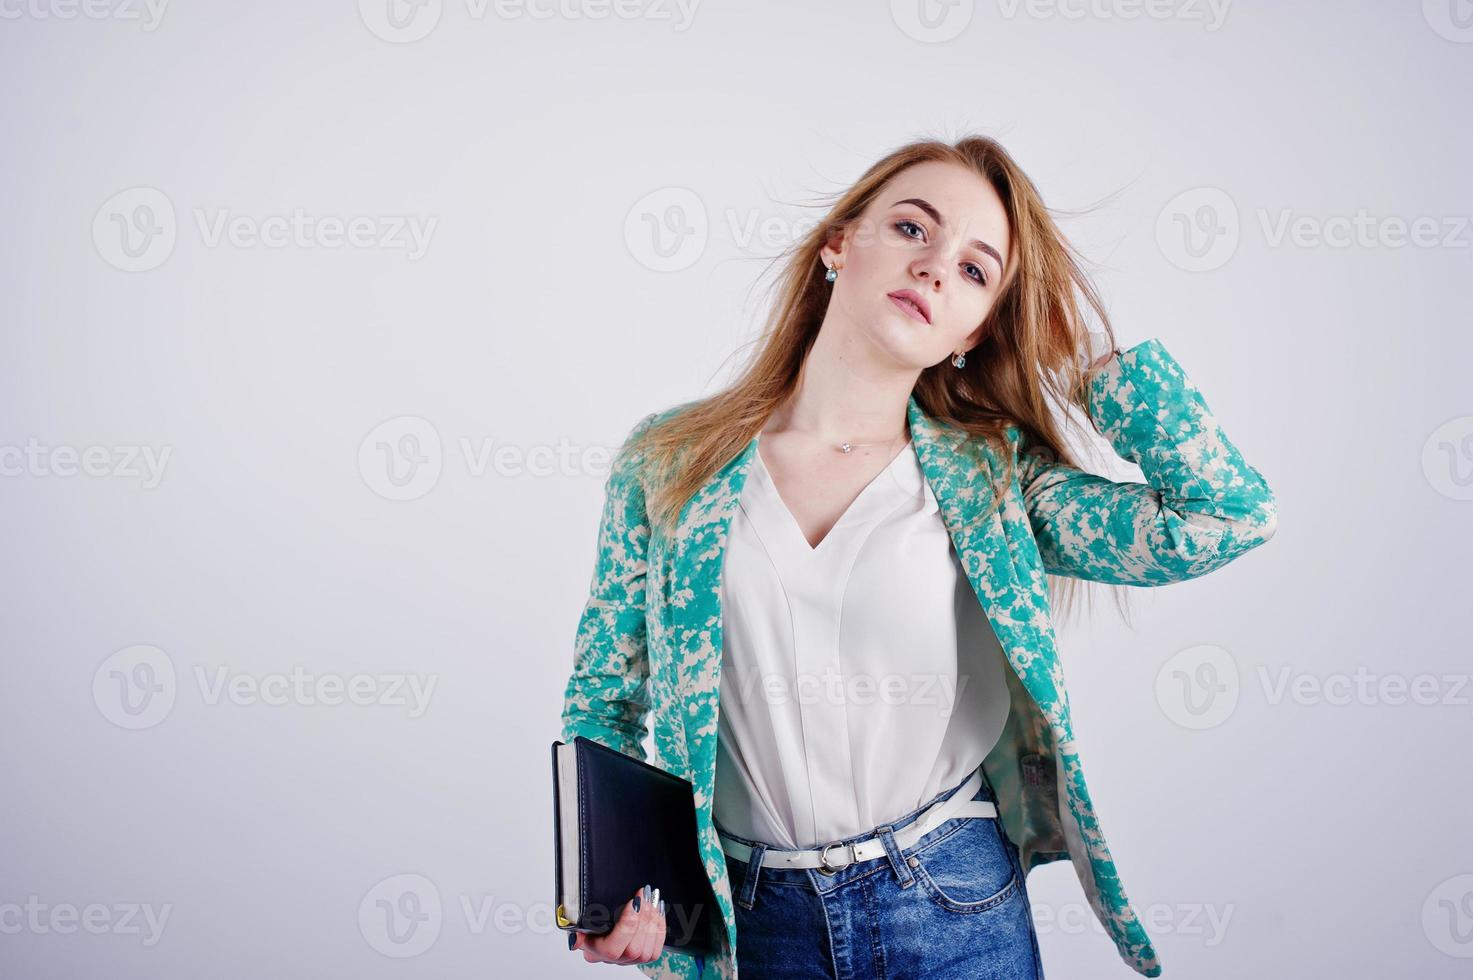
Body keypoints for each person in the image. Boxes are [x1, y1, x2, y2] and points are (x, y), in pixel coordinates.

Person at [561, 134, 1277, 979]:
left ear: (978, 328)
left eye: (977, 272)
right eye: (911, 229)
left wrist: (1084, 358)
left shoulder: (992, 480)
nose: (937, 268)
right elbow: (604, 700)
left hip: (952, 906)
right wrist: (612, 893)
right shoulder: (668, 460)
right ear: (839, 242)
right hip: (748, 923)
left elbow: (1223, 516)